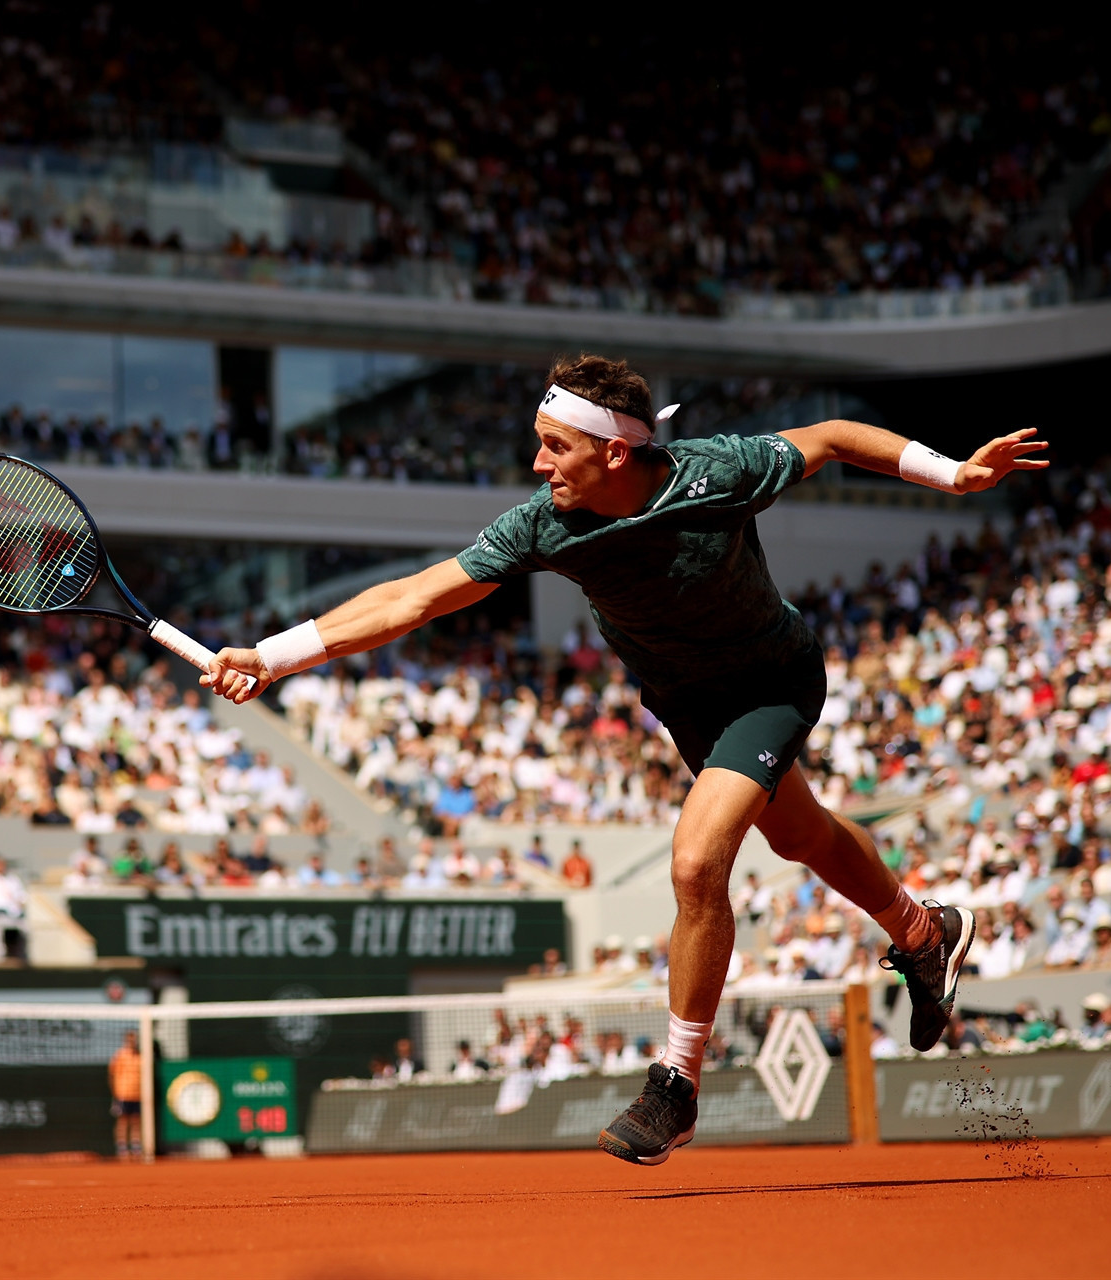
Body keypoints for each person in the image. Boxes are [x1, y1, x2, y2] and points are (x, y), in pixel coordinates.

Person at [200, 353, 1047, 1166]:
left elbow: (828, 437)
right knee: (803, 836)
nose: (538, 464)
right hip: (687, 705)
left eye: (554, 446)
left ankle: (675, 1086)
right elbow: (413, 597)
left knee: (695, 862)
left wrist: (953, 475)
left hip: (771, 683)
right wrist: (271, 657)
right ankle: (923, 930)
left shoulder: (716, 472)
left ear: (615, 450)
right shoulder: (546, 526)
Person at [109, 1029, 144, 1160]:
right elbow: (112, 1075)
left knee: (136, 1121)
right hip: (123, 1094)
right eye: (130, 1039)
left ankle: (136, 1148)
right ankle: (122, 1148)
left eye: (134, 1039)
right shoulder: (120, 1055)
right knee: (123, 1121)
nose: (132, 1041)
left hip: (138, 1094)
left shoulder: (141, 1056)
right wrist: (116, 1094)